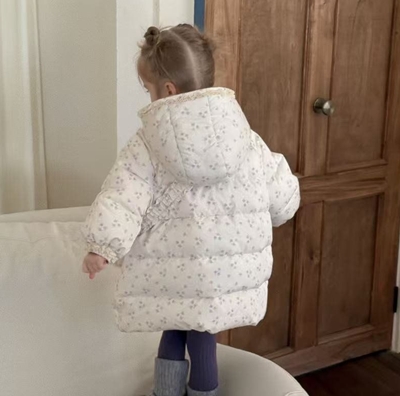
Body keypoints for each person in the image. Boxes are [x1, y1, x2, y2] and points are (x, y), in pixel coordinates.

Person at [81, 24, 300, 396]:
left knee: (174, 328)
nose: (149, 98)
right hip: (223, 274)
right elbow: (282, 195)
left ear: (168, 90)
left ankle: (165, 393)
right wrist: (282, 208)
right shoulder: (246, 137)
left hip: (172, 271)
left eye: (148, 89)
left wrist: (102, 246)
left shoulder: (147, 142)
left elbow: (123, 195)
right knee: (203, 336)